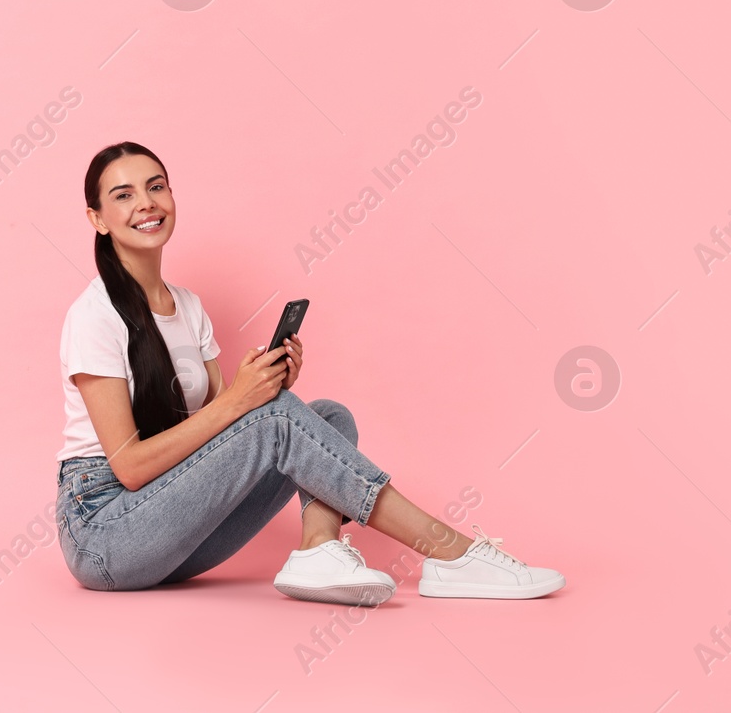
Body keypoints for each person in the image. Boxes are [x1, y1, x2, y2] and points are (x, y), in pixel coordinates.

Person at [55, 141, 564, 602]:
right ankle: (450, 552)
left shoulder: (187, 307)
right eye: (123, 195)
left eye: (156, 186)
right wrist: (247, 403)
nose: (146, 203)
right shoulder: (94, 315)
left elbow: (216, 437)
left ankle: (318, 551)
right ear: (97, 219)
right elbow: (131, 469)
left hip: (171, 532)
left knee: (328, 417)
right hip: (106, 533)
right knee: (278, 420)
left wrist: (267, 388)